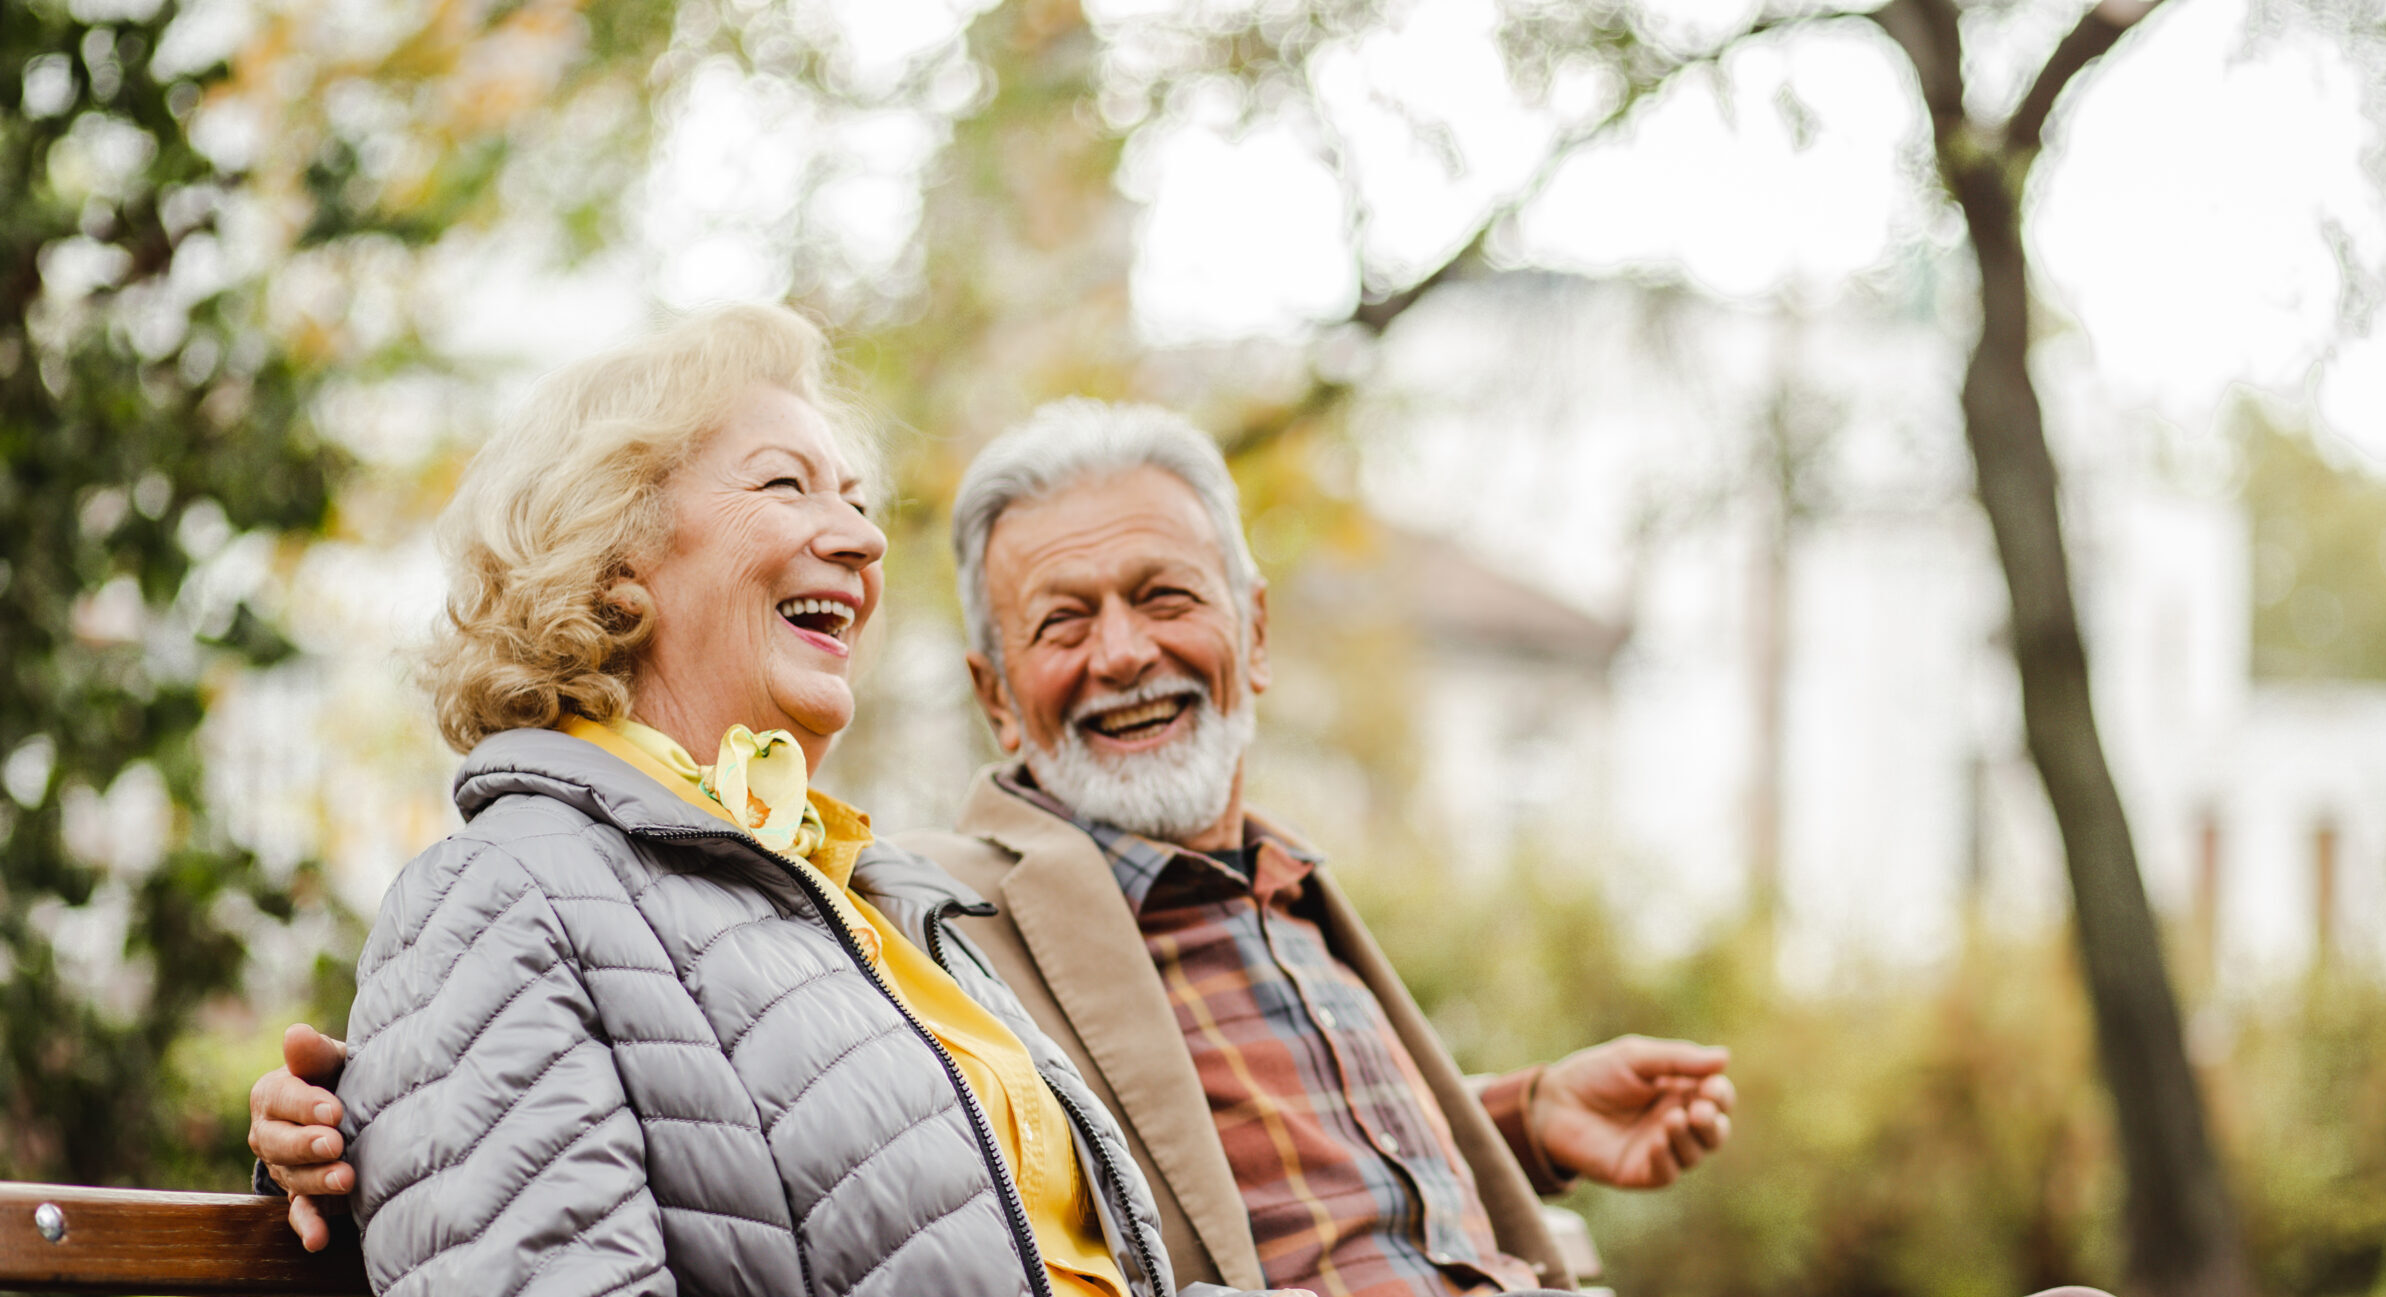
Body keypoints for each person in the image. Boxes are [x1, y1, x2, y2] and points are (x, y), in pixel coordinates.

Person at [259, 398, 1727, 1295]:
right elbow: (602, 1060)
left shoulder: (1292, 886)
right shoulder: (919, 911)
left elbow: (1231, 1135)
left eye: (1166, 596)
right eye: (1062, 622)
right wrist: (334, 1117)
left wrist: (1521, 1118)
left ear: (1257, 634)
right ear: (990, 693)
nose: (1125, 655)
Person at [287, 309, 1298, 1297]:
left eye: (856, 500)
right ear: (615, 554)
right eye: (787, 484)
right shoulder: (501, 893)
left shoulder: (866, 898)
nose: (862, 539)